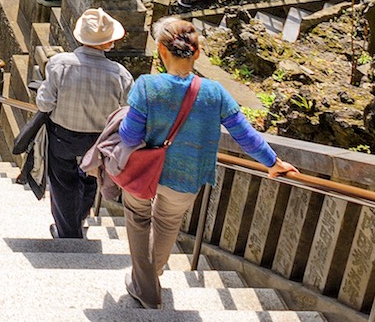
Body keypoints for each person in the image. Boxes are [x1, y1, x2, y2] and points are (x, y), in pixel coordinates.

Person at [117, 19, 298, 307]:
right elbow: (245, 135)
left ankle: (144, 285)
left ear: (161, 51)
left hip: (144, 171)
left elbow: (128, 136)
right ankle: (152, 275)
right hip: (186, 177)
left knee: (139, 220)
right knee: (167, 224)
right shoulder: (214, 93)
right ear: (197, 52)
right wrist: (272, 162)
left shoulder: (147, 86)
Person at [36, 8, 133, 240]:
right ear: (109, 43)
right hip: (99, 141)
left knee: (62, 182)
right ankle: (79, 217)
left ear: (79, 36)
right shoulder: (120, 74)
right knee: (91, 178)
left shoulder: (59, 64)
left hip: (63, 136)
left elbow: (44, 103)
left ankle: (68, 231)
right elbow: (128, 110)